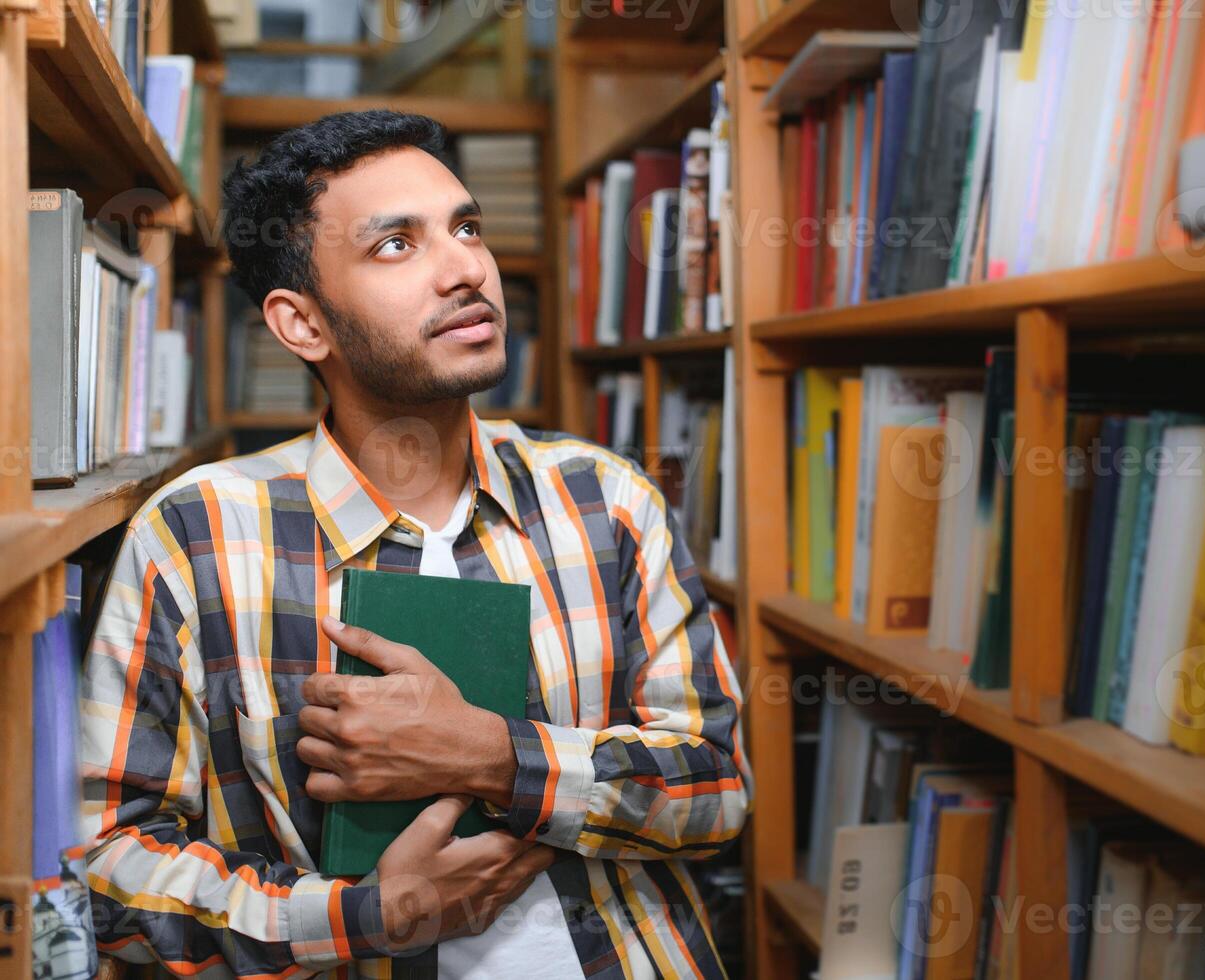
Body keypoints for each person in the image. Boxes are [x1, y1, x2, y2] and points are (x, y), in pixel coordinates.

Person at [80, 110, 750, 979]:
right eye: (396, 245)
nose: (466, 268)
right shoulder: (197, 534)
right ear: (301, 324)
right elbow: (107, 867)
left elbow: (716, 791)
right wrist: (366, 917)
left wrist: (490, 754)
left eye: (466, 227)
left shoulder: (607, 499)